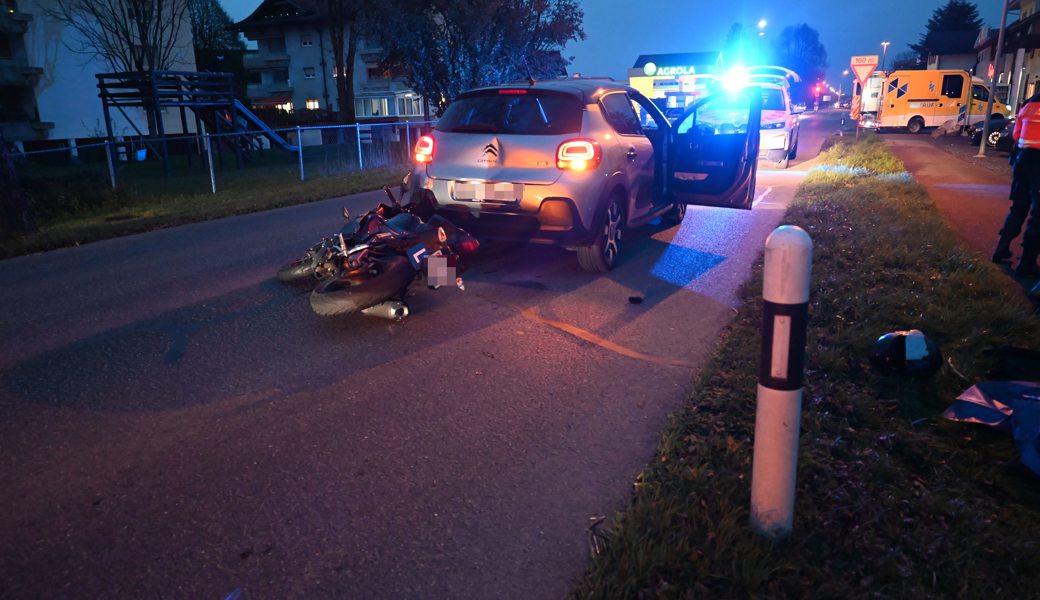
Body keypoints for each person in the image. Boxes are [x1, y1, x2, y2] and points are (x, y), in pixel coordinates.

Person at [993, 91, 1040, 278]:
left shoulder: (1029, 104)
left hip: (1022, 160)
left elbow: (1017, 133)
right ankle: (1027, 262)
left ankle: (1001, 249)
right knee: (1038, 216)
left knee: (1018, 207)